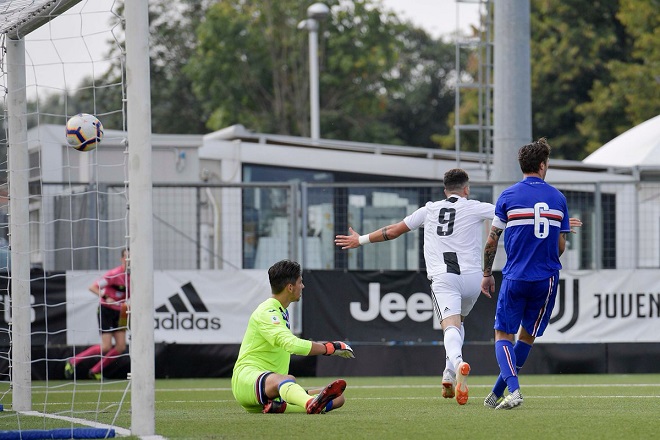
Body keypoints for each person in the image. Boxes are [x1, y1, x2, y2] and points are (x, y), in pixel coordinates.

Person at [335, 168, 495, 405]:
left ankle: (459, 362)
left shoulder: (429, 210)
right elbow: (510, 215)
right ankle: (449, 374)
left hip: (444, 277)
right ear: (466, 190)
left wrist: (361, 239)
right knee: (458, 323)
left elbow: (394, 231)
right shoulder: (475, 206)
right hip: (473, 277)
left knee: (450, 326)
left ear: (445, 190)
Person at [480, 138, 582, 410]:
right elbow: (560, 246)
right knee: (526, 337)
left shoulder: (508, 196)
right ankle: (495, 394)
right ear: (541, 165)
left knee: (503, 335)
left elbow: (492, 241)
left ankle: (513, 390)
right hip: (546, 279)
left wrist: (487, 273)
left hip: (515, 276)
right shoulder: (558, 198)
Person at [231, 259, 355, 414]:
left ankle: (280, 407)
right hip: (247, 380)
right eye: (300, 282)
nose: (302, 286)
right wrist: (329, 348)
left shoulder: (281, 311)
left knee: (338, 398)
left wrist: (330, 345)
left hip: (271, 390)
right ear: (290, 287)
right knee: (287, 379)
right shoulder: (267, 312)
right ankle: (310, 403)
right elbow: (292, 344)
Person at [64, 248, 130, 380]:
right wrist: (105, 296)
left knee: (121, 347)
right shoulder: (114, 274)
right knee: (106, 346)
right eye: (127, 257)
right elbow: (93, 287)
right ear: (122, 259)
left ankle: (95, 371)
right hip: (106, 310)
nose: (129, 260)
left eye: (132, 257)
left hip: (121, 312)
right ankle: (73, 361)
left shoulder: (133, 276)